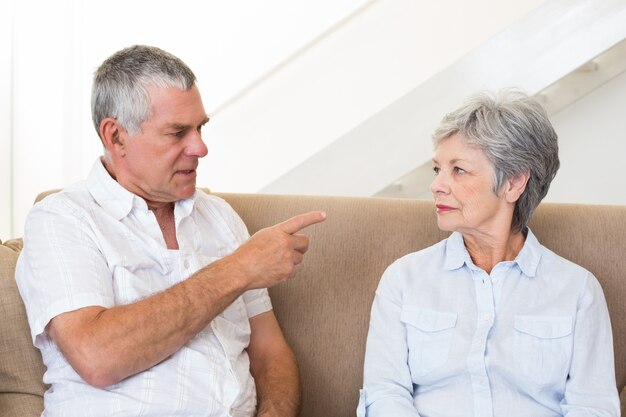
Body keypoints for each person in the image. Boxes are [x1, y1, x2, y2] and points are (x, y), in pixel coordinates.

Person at [16, 45, 326, 417]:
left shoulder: (220, 218)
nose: (200, 147)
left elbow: (269, 352)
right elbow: (96, 356)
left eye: (200, 128)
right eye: (177, 132)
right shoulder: (62, 219)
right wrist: (238, 269)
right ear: (116, 137)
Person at [358, 90, 619, 416]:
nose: (437, 185)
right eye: (437, 169)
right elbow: (385, 394)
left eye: (458, 170)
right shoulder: (404, 279)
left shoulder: (578, 291)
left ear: (513, 183)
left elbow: (592, 407)